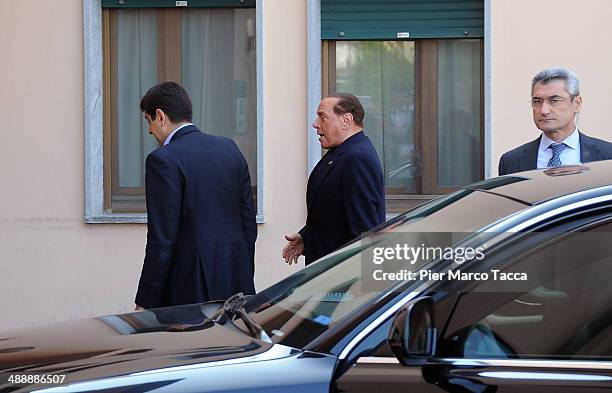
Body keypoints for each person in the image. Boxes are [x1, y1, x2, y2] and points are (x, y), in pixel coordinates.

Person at [135, 81, 256, 309]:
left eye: (148, 121)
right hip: (236, 279)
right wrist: (243, 272)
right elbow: (248, 223)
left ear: (160, 116)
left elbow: (162, 239)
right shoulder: (229, 148)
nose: (150, 130)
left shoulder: (163, 159)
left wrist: (146, 300)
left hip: (189, 288)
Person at [283, 93, 385, 265]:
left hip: (340, 279)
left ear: (346, 120)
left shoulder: (357, 158)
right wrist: (306, 238)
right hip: (327, 270)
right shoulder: (342, 152)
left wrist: (352, 285)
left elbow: (363, 230)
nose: (315, 124)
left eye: (323, 117)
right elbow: (333, 215)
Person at [499, 67, 612, 176]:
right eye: (537, 101)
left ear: (577, 103)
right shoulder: (511, 161)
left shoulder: (607, 155)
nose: (544, 110)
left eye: (554, 100)